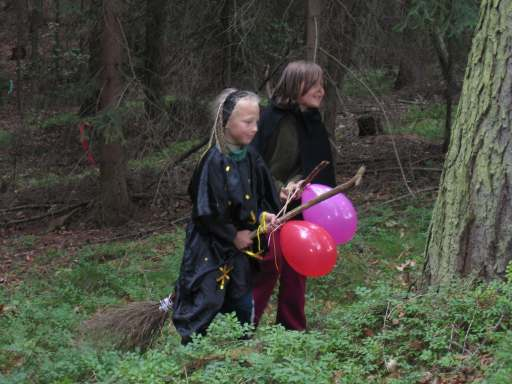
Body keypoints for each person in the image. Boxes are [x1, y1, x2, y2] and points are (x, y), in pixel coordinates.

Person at [172, 89, 280, 344]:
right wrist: (232, 235)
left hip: (240, 250)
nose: (254, 129)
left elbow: (263, 194)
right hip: (210, 247)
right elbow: (205, 211)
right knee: (206, 297)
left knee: (242, 297)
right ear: (226, 121)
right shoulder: (213, 161)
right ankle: (192, 349)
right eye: (247, 122)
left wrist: (264, 215)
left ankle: (242, 347)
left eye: (256, 122)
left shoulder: (251, 156)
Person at [251, 61, 336, 331]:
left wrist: (299, 183)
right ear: (295, 84)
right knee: (269, 260)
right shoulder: (268, 119)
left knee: (297, 263)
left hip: (300, 204)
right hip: (267, 204)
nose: (320, 90)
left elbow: (312, 164)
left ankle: (292, 328)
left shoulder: (311, 119)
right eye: (313, 84)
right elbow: (253, 163)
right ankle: (241, 327)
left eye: (321, 84)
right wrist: (277, 187)